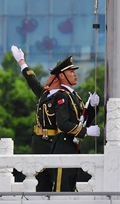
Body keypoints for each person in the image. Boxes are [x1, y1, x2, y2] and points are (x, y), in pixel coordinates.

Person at [11, 45, 59, 192]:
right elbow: (32, 80)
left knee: (58, 184)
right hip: (39, 143)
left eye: (51, 76)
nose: (48, 78)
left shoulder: (64, 97)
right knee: (41, 184)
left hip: (54, 144)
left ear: (57, 79)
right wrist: (21, 62)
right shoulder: (44, 94)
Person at [50, 54, 100, 192]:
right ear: (61, 76)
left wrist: (93, 108)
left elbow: (82, 121)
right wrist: (86, 132)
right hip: (63, 147)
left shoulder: (74, 96)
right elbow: (63, 124)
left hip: (73, 147)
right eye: (71, 72)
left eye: (74, 71)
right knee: (62, 190)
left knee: (71, 188)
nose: (75, 74)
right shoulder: (62, 96)